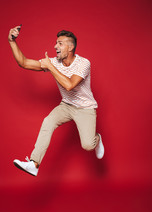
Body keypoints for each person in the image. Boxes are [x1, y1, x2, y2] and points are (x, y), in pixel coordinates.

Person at [8, 25, 104, 177]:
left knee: (87, 145)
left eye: (60, 43)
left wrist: (51, 67)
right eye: (56, 43)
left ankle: (96, 139)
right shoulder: (53, 62)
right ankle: (34, 164)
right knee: (48, 122)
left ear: (71, 47)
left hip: (85, 108)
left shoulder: (84, 63)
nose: (55, 46)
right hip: (66, 105)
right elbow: (24, 63)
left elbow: (69, 85)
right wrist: (12, 41)